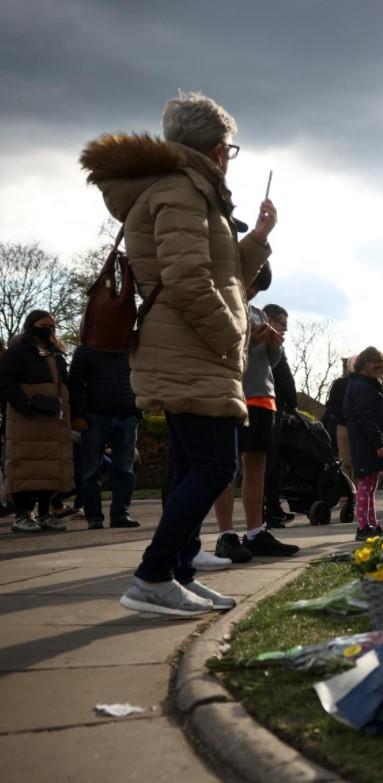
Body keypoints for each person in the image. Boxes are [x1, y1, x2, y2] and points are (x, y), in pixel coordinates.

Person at [83, 91, 275, 616]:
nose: (228, 158)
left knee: (192, 464)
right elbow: (188, 281)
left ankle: (179, 573)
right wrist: (227, 338)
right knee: (216, 466)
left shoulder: (188, 191)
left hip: (188, 344)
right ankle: (153, 574)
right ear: (216, 149)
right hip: (190, 345)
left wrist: (257, 238)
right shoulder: (181, 191)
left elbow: (223, 271)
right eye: (229, 150)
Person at [211, 264, 298, 561]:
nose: (253, 292)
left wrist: (275, 345)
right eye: (251, 286)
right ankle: (225, 534)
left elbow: (270, 363)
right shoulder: (223, 305)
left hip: (264, 397)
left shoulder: (258, 313)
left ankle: (255, 532)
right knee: (227, 467)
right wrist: (251, 340)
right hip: (236, 395)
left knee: (257, 467)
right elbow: (220, 348)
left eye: (258, 288)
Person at [0, 311, 74, 533]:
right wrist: (28, 403)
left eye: (52, 325)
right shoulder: (17, 353)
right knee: (26, 467)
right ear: (31, 326)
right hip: (26, 421)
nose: (49, 329)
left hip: (53, 421)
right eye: (44, 325)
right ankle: (22, 515)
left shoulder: (56, 355)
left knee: (50, 468)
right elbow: (6, 384)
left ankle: (44, 513)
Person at [68, 342, 140, 530]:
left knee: (124, 469)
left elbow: (140, 377)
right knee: (92, 471)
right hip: (96, 416)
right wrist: (78, 415)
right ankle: (94, 516)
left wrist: (136, 410)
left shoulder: (129, 349)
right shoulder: (86, 351)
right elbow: (75, 384)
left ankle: (120, 514)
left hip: (126, 414)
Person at [343, 346, 383, 540]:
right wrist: (379, 443)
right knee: (366, 484)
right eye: (380, 371)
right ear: (369, 367)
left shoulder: (366, 385)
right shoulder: (362, 387)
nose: (382, 374)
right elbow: (366, 418)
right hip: (367, 443)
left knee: (371, 486)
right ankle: (363, 527)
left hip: (368, 441)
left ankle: (372, 523)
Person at [263, 304, 296, 527]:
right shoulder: (270, 347)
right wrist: (292, 405)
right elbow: (284, 378)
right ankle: (270, 510)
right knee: (270, 463)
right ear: (270, 321)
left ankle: (268, 509)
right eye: (282, 323)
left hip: (267, 405)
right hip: (267, 406)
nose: (285, 329)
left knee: (264, 464)